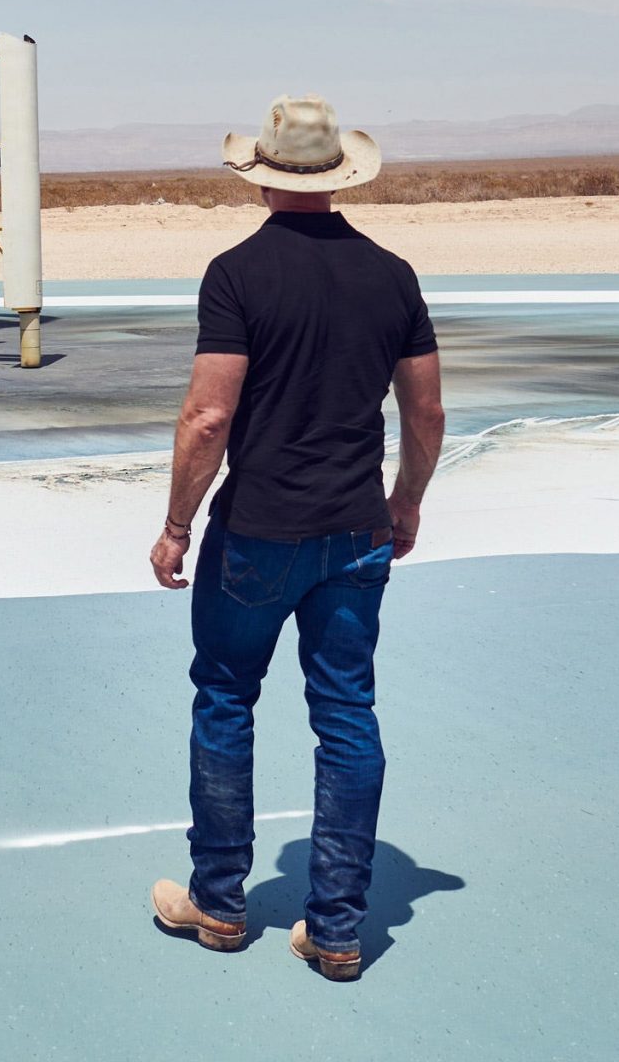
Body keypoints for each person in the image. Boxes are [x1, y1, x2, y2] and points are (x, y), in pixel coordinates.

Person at [148, 94, 444, 981]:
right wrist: (407, 502)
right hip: (354, 532)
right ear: (339, 174)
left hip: (258, 536)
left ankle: (219, 904)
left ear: (261, 174)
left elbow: (207, 417)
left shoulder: (236, 273)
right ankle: (339, 929)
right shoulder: (391, 274)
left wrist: (174, 525)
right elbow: (425, 410)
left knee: (225, 699)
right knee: (346, 716)